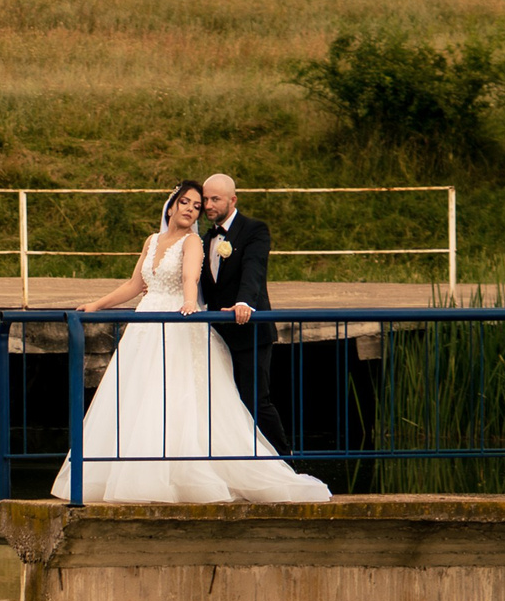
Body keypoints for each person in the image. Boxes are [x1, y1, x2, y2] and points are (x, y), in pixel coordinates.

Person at [47, 180, 330, 503]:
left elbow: (191, 278)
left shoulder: (193, 240)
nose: (193, 209)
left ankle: (207, 471)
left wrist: (189, 301)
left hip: (177, 319)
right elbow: (135, 283)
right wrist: (96, 305)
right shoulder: (152, 241)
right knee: (137, 396)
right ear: (171, 205)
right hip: (145, 325)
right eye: (187, 202)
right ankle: (129, 473)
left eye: (198, 206)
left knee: (181, 396)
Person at [199, 174, 289, 451]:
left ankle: (285, 461)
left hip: (249, 331)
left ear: (232, 200)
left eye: (215, 199)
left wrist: (244, 303)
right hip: (216, 335)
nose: (208, 205)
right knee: (222, 401)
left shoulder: (254, 229)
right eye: (205, 199)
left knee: (255, 400)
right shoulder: (205, 238)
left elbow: (254, 268)